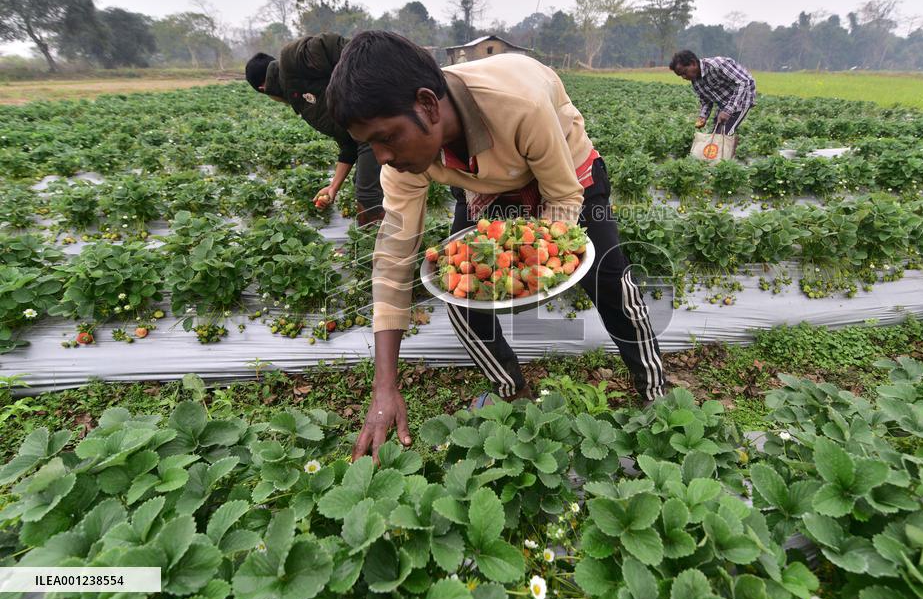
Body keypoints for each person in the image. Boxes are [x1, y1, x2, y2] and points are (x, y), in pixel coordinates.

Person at [328, 31, 668, 460]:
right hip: (486, 183)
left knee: (610, 280)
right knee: (460, 291)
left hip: (564, 169)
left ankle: (655, 391)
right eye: (370, 145)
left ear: (428, 105)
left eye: (387, 138)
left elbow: (563, 196)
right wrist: (384, 386)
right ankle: (512, 392)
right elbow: (394, 258)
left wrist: (537, 266)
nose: (381, 156)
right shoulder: (402, 160)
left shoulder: (519, 103)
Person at [245, 34, 385, 226]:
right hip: (367, 137)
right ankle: (386, 236)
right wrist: (333, 186)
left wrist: (375, 83)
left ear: (263, 88)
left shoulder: (291, 62)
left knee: (367, 194)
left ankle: (383, 241)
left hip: (378, 126)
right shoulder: (299, 101)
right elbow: (348, 143)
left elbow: (334, 46)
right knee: (364, 185)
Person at [669, 50, 757, 138]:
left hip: (742, 97)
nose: (684, 77)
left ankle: (727, 144)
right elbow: (706, 101)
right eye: (681, 75)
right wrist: (703, 116)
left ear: (693, 63)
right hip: (724, 103)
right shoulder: (695, 82)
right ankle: (730, 145)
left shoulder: (718, 65)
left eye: (685, 72)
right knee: (715, 135)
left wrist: (727, 111)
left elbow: (744, 82)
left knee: (722, 135)